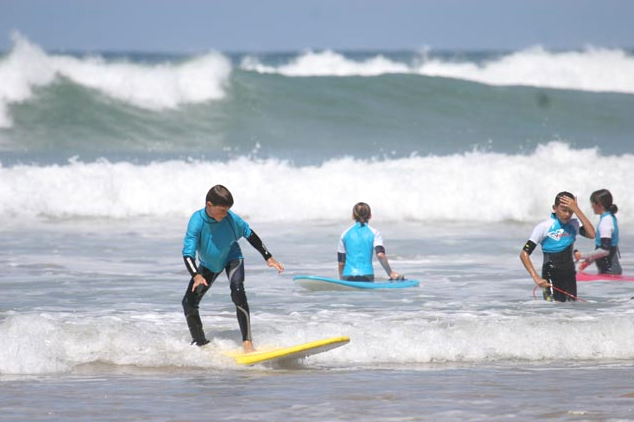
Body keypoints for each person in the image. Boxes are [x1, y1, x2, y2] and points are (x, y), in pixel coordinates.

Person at [181, 185, 284, 352]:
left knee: (238, 291)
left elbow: (250, 235)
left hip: (232, 257)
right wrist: (196, 275)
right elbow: (187, 253)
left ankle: (247, 342)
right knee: (189, 303)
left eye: (227, 210)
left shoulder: (231, 219)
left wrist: (268, 257)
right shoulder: (197, 221)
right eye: (222, 210)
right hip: (209, 265)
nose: (225, 214)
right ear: (209, 205)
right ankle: (201, 344)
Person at [520, 191, 596, 302]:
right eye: (564, 210)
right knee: (554, 310)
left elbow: (592, 234)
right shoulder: (544, 227)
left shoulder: (574, 224)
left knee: (570, 311)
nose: (567, 215)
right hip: (550, 275)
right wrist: (536, 277)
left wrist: (577, 210)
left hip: (569, 275)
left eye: (571, 211)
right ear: (555, 208)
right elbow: (524, 254)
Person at [337, 202, 403, 281]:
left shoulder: (344, 234)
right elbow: (380, 255)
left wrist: (342, 280)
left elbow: (341, 262)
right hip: (367, 276)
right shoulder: (374, 233)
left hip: (347, 276)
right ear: (370, 216)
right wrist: (390, 273)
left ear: (353, 216)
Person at [574, 189, 621, 274]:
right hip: (609, 271)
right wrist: (587, 262)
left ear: (599, 205)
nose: (592, 207)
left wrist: (582, 255)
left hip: (609, 272)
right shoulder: (610, 217)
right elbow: (603, 250)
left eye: (592, 204)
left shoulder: (606, 221)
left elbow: (604, 251)